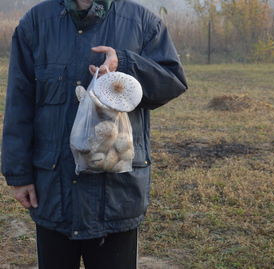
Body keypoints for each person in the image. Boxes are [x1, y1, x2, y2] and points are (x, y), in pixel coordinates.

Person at [1, 0, 187, 268]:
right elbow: (19, 102)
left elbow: (172, 81)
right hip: (54, 188)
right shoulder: (36, 23)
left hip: (116, 194)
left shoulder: (142, 23)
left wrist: (125, 64)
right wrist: (18, 175)